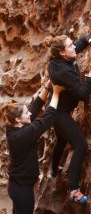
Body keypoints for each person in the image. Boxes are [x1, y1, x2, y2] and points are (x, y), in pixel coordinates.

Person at [46, 34, 91, 203]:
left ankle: (54, 170)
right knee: (81, 145)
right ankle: (74, 190)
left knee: (62, 139)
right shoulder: (62, 71)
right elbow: (83, 94)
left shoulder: (62, 57)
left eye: (72, 44)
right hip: (59, 113)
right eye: (70, 46)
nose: (74, 47)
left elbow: (83, 39)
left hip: (55, 107)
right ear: (63, 53)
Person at [0, 80, 64, 214]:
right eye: (26, 113)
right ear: (18, 119)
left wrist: (48, 85)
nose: (29, 114)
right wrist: (56, 93)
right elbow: (47, 118)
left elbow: (35, 106)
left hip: (17, 186)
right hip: (22, 190)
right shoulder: (22, 135)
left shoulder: (13, 127)